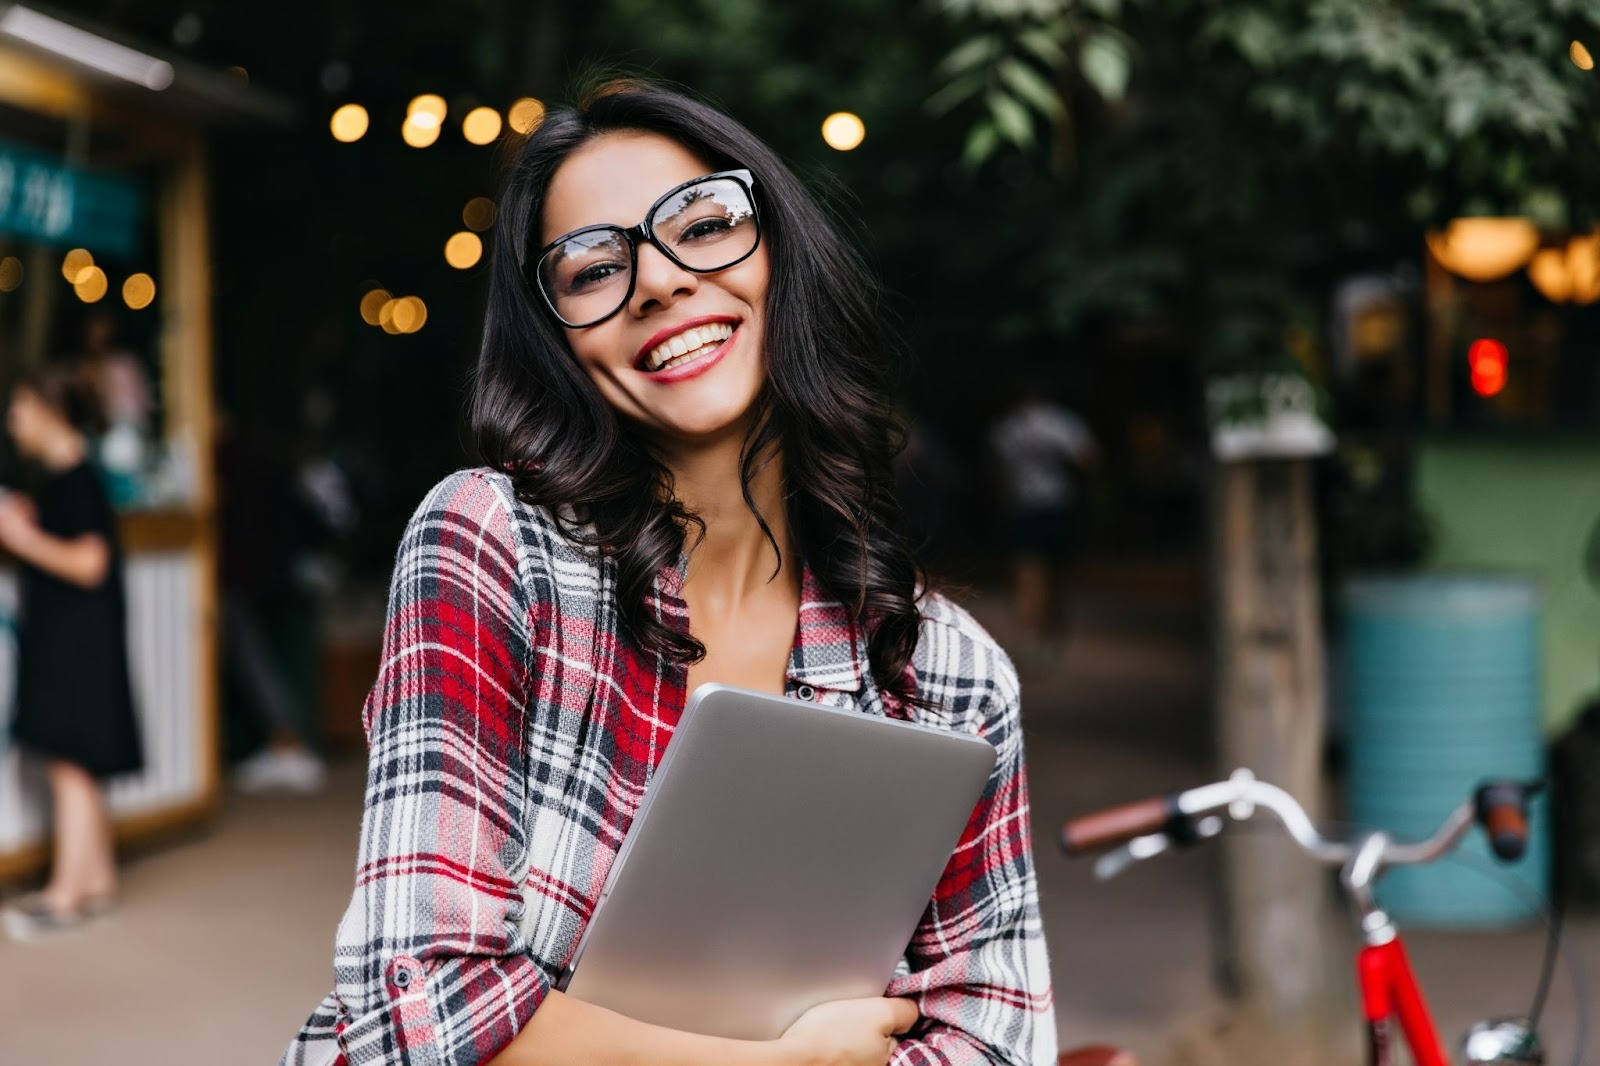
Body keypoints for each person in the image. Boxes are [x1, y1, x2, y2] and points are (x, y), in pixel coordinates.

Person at [282, 80, 1054, 1066]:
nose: (656, 280)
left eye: (702, 223)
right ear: (557, 336)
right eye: (593, 267)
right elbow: (418, 1013)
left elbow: (994, 1039)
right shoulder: (491, 546)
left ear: (781, 252)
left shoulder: (949, 670)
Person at [0, 368, 142, 941]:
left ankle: (65, 895)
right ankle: (99, 881)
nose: (11, 421)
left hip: (77, 643)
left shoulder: (77, 477)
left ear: (43, 408)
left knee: (70, 761)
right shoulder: (67, 479)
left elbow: (90, 563)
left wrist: (18, 536)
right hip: (75, 636)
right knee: (75, 759)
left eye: (17, 408)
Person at [990, 383, 1098, 646]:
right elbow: (1089, 458)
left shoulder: (1008, 427)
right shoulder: (1061, 422)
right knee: (1055, 567)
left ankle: (1030, 627)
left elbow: (999, 471)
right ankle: (1049, 623)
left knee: (1027, 568)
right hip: (1057, 503)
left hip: (1024, 505)